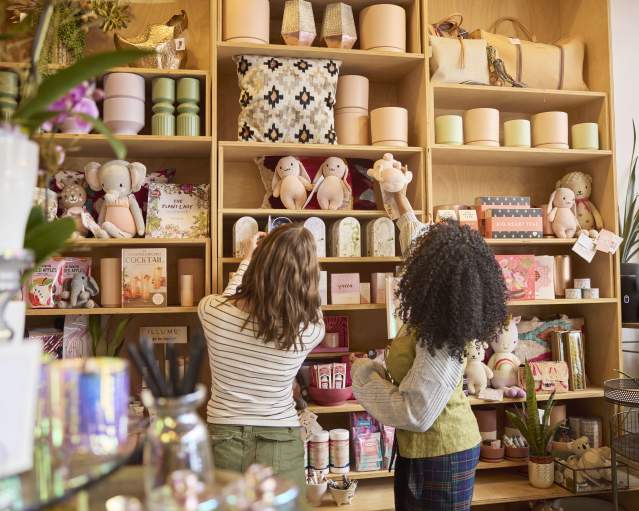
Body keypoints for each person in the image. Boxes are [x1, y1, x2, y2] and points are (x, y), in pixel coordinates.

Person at [351, 188, 508, 511]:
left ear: (432, 276)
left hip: (441, 453)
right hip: (431, 451)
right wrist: (399, 198)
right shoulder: (443, 305)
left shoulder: (441, 337)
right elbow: (420, 241)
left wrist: (364, 377)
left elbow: (416, 413)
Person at [198, 224, 325, 491]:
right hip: (280, 441)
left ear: (260, 265)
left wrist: (248, 259)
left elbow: (229, 299)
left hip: (223, 439)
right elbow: (312, 305)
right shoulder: (311, 331)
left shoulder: (212, 311)